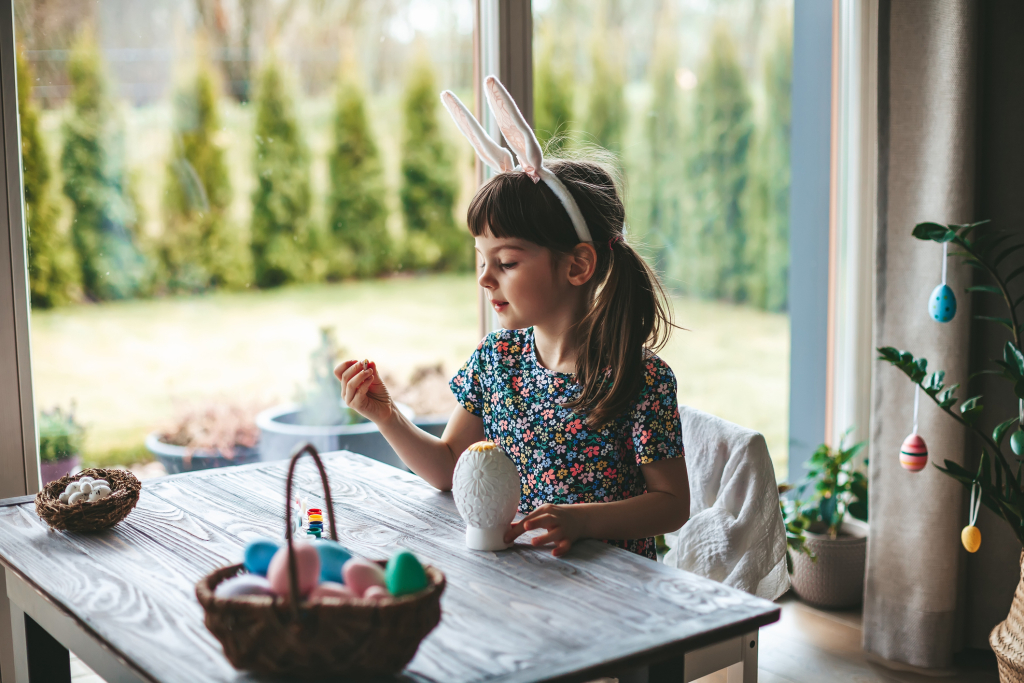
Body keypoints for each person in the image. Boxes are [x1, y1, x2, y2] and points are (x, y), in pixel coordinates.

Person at [335, 77, 688, 560]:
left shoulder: (639, 377)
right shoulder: (496, 359)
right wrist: (384, 413)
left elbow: (671, 505)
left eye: (507, 262)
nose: (485, 279)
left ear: (577, 265)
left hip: (613, 590)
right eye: (482, 259)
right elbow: (447, 468)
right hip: (517, 578)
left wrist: (581, 520)